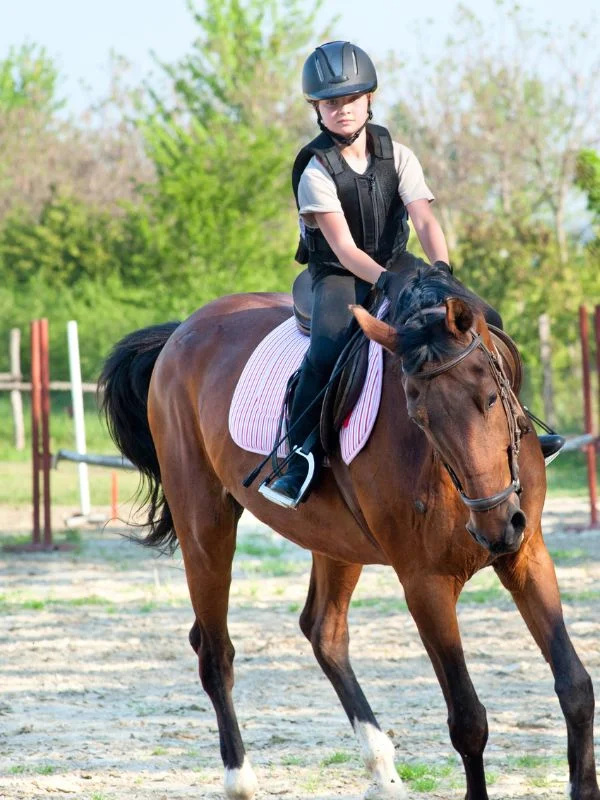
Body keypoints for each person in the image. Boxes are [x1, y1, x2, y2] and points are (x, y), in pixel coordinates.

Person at [263, 40, 563, 509]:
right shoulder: (315, 170)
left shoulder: (397, 154)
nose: (340, 110)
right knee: (325, 350)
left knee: (488, 315)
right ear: (317, 110)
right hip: (339, 274)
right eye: (329, 103)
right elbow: (343, 247)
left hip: (398, 260)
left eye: (349, 99)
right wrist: (385, 282)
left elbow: (423, 220)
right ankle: (300, 455)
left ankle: (516, 422)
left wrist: (441, 269)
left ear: (369, 99)